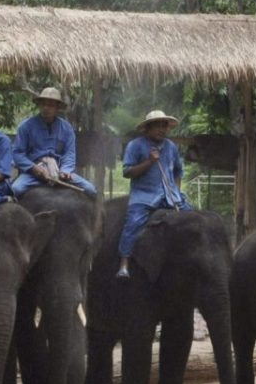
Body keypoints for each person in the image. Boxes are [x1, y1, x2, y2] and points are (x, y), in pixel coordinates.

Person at [116, 110, 192, 278]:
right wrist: (149, 162)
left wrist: (176, 191)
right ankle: (124, 262)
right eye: (157, 125)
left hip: (170, 196)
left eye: (164, 125)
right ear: (147, 128)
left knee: (193, 219)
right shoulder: (135, 145)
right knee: (133, 223)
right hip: (144, 195)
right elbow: (127, 172)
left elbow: (178, 171)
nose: (161, 129)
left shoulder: (171, 147)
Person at [10, 87, 99, 197]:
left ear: (57, 108)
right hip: (33, 173)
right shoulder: (26, 126)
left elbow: (69, 154)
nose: (46, 108)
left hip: (59, 172)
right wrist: (33, 168)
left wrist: (65, 171)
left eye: (51, 105)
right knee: (15, 189)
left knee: (91, 190)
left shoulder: (67, 129)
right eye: (43, 104)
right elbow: (17, 154)